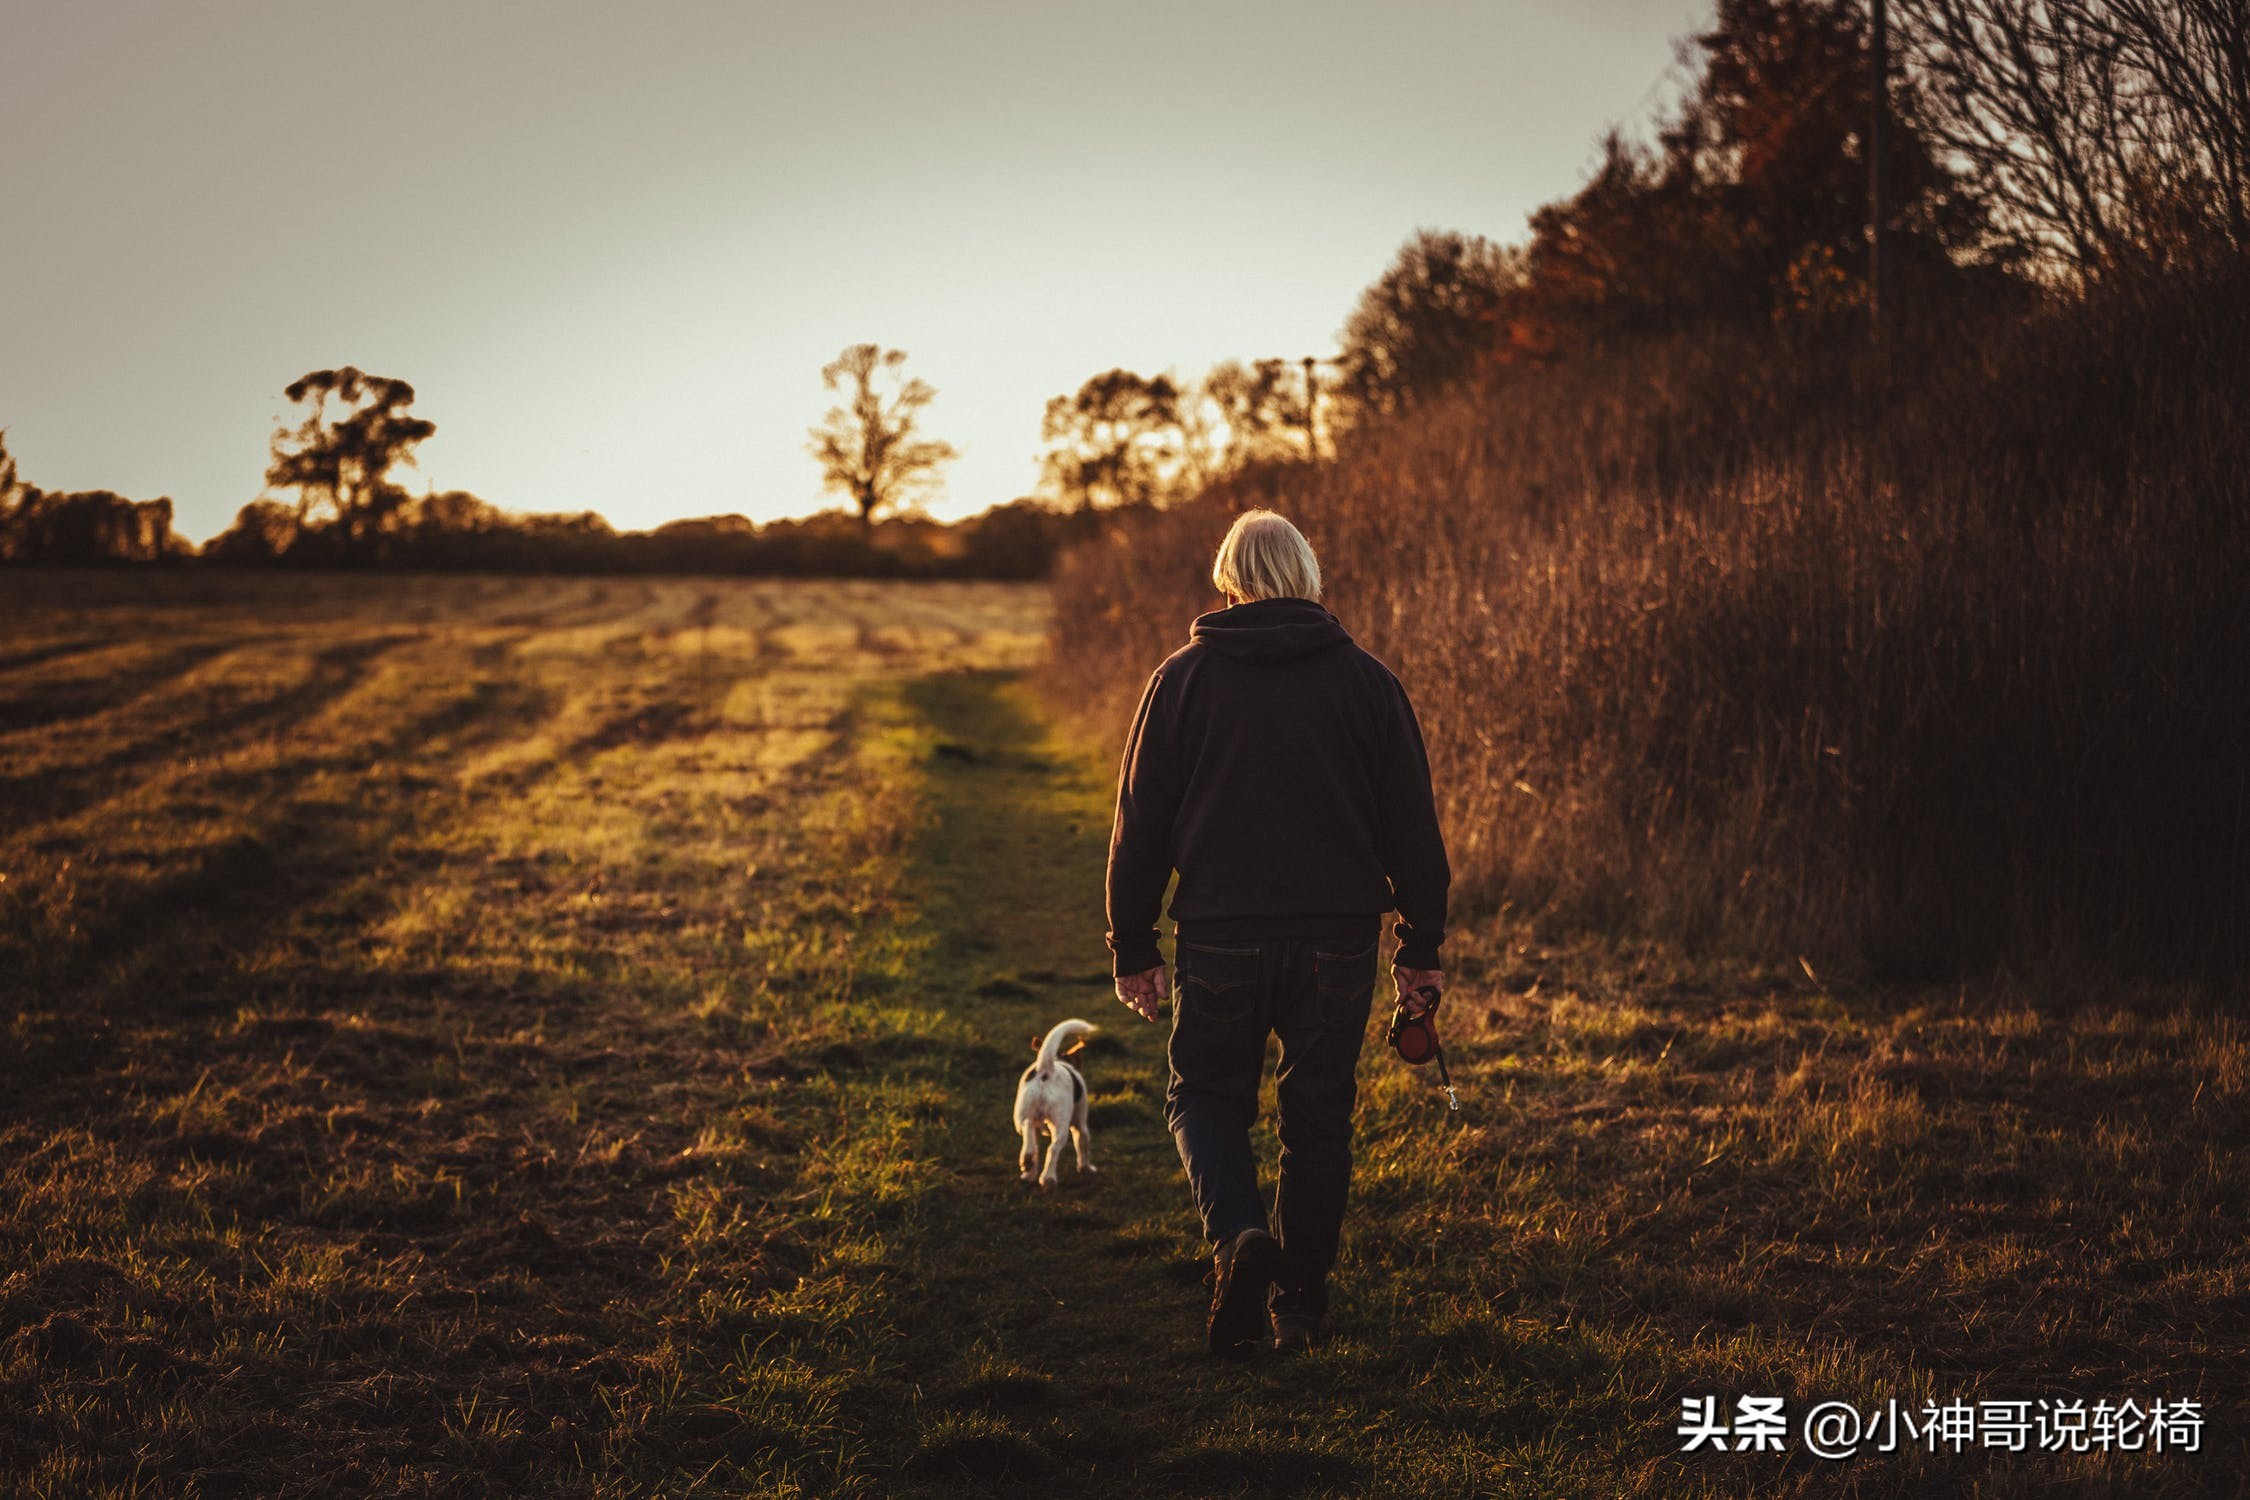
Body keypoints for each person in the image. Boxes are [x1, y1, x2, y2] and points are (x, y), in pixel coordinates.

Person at [1106, 508, 1450, 1357]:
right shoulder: (1368, 681)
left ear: (1227, 578)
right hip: (1337, 942)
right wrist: (1420, 948)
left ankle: (1237, 1240)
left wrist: (1134, 944)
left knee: (1203, 1095)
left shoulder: (1181, 680)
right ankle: (1299, 1305)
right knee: (1318, 1117)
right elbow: (1414, 829)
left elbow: (1140, 823)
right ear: (1307, 576)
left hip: (1220, 936)